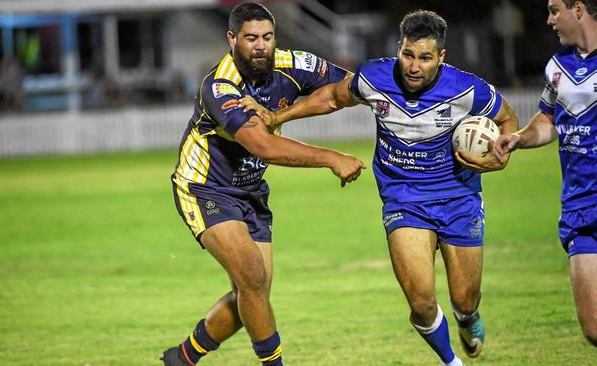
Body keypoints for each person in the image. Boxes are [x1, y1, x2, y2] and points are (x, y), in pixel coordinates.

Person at [241, 10, 519, 365]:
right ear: (398, 48)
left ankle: (466, 318)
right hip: (403, 197)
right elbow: (332, 98)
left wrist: (502, 156)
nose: (414, 66)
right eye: (408, 54)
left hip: (458, 197)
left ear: (441, 58)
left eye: (425, 58)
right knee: (420, 302)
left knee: (465, 298)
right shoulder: (375, 77)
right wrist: (278, 117)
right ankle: (452, 362)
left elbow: (508, 118)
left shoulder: (467, 89)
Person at [161, 3, 365, 366]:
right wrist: (332, 157)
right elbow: (263, 146)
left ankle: (184, 357)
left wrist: (287, 113)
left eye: (267, 37)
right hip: (205, 187)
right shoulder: (221, 85)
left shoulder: (293, 64)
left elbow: (350, 86)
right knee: (253, 279)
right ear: (232, 38)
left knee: (253, 293)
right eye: (251, 38)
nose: (260, 46)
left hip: (251, 190)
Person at [494, 0, 597, 347]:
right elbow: (550, 119)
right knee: (594, 328)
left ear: (578, 9)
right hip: (580, 206)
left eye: (555, 10)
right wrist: (519, 138)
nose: (549, 19)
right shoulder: (558, 66)